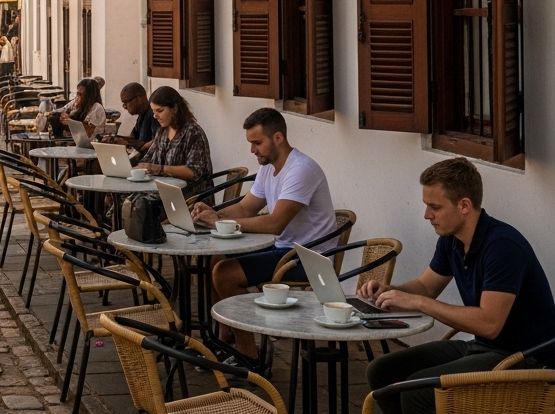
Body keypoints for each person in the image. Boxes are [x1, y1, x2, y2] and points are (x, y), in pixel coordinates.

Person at [364, 158, 555, 414]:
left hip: (527, 360)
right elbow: (425, 287)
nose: (426, 215)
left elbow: (489, 324)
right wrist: (390, 291)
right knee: (382, 371)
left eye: (435, 207)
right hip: (485, 348)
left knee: (418, 390)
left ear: (464, 205)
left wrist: (418, 302)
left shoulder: (503, 247)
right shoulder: (451, 239)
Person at [190, 108, 337, 358]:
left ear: (278, 138)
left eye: (257, 143)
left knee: (225, 274)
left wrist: (218, 223)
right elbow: (245, 208)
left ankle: (248, 353)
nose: (252, 150)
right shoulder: (269, 167)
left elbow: (275, 223)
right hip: (284, 249)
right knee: (214, 260)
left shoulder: (301, 169)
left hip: (309, 258)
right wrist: (213, 213)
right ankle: (224, 338)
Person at [138, 85, 212, 191]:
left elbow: (194, 171)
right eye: (153, 112)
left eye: (160, 111)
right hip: (161, 189)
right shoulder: (162, 132)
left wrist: (160, 169)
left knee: (138, 200)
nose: (155, 116)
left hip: (188, 194)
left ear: (175, 109)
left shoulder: (193, 133)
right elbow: (148, 159)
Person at [99, 83, 157, 151]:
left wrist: (127, 143)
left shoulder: (155, 115)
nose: (124, 107)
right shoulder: (142, 115)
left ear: (139, 98)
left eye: (126, 102)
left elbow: (155, 144)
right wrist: (114, 138)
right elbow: (134, 139)